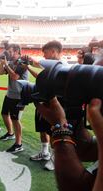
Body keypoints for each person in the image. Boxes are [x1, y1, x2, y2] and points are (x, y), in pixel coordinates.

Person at [25, 40, 64, 170]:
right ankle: (45, 153)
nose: (44, 56)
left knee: (54, 131)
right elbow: (40, 77)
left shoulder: (62, 66)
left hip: (55, 104)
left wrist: (32, 61)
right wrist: (28, 67)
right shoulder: (49, 67)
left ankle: (55, 158)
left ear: (53, 52)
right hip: (43, 100)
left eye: (46, 53)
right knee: (42, 128)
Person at [0, 43, 29, 153]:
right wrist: (2, 63)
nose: (9, 53)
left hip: (19, 95)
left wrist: (6, 64)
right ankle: (10, 133)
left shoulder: (23, 62)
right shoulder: (11, 62)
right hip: (10, 94)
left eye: (10, 51)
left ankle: (19, 144)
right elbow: (0, 72)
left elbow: (15, 77)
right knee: (4, 114)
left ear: (16, 51)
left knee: (15, 120)